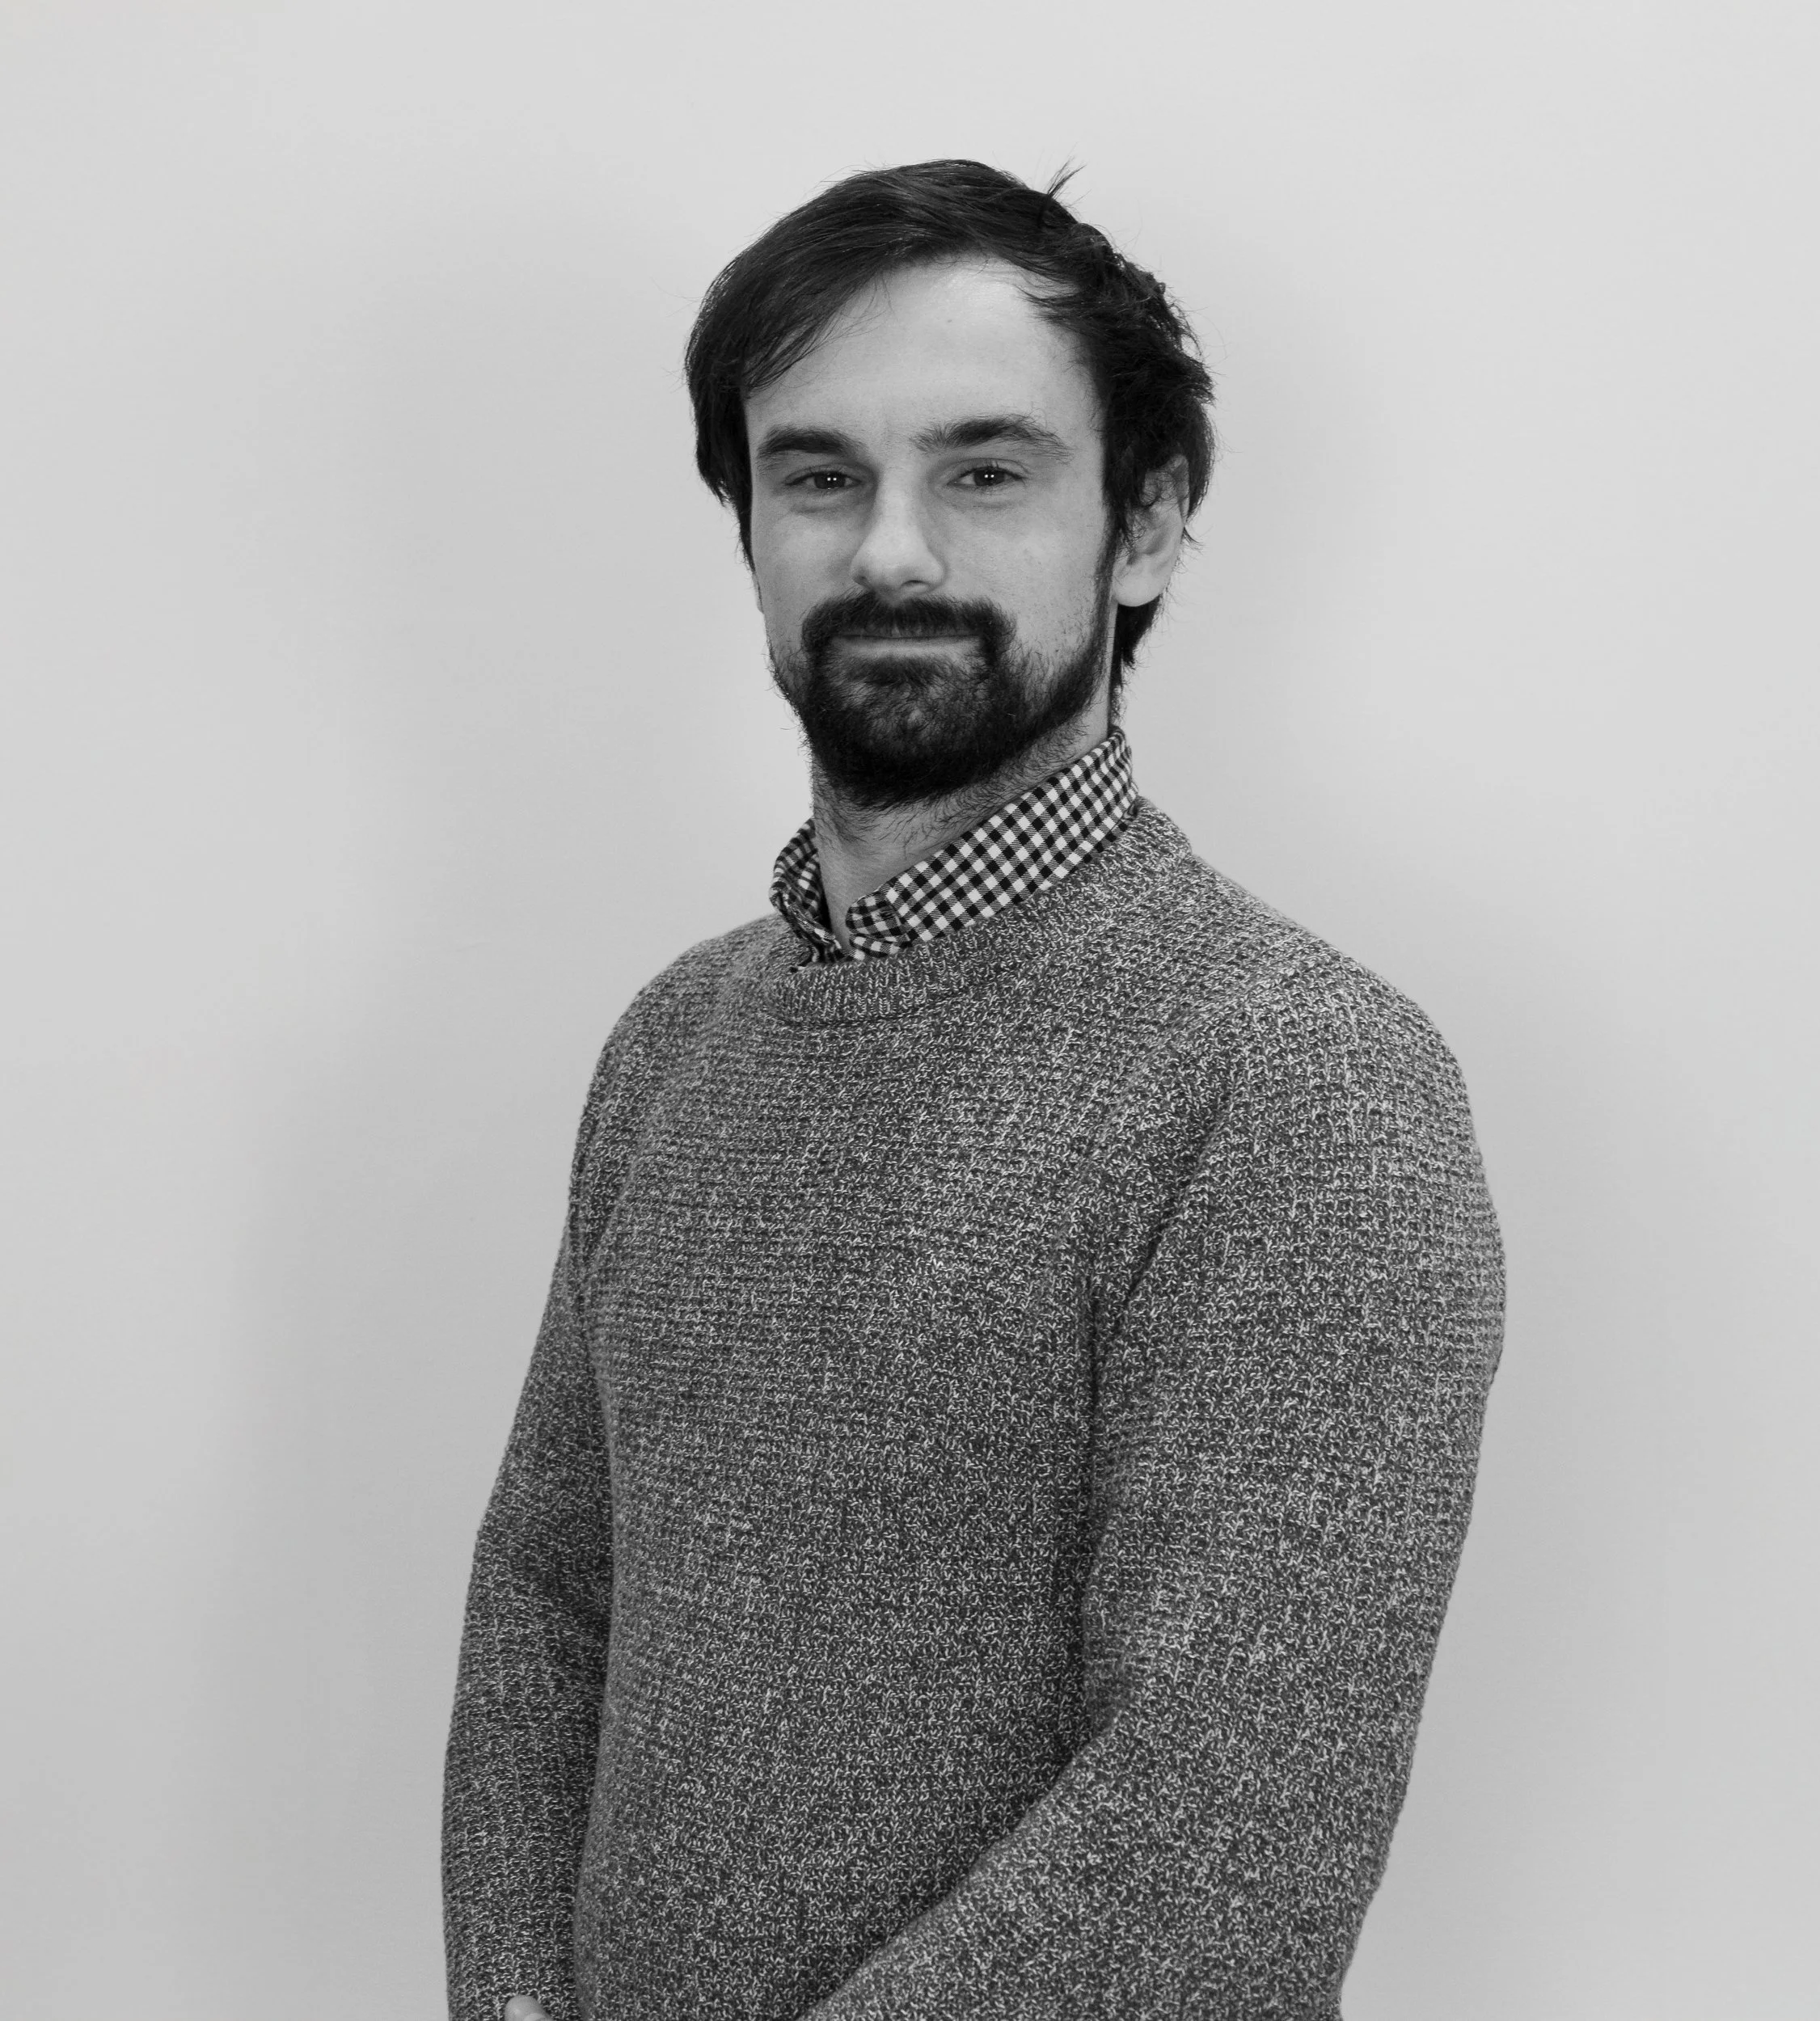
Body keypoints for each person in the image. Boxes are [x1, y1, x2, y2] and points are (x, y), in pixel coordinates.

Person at [442, 159, 1504, 2021]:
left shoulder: (1299, 1077)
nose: (891, 552)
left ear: (1148, 522)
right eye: (819, 474)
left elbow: (1223, 1833)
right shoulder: (673, 1042)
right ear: (749, 521)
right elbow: (552, 1584)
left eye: (985, 470)